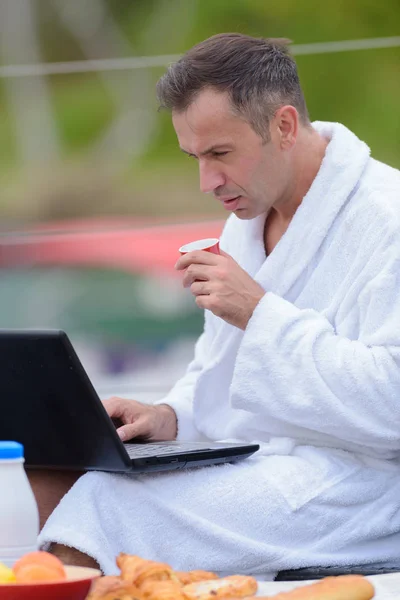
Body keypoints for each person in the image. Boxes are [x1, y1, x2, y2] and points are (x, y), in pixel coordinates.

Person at [34, 33, 400, 577]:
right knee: (47, 471)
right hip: (269, 465)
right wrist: (170, 418)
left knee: (109, 506)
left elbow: (390, 402)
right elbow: (216, 369)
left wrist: (260, 312)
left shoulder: (386, 220)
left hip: (361, 486)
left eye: (220, 154)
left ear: (283, 126)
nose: (207, 182)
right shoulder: (248, 222)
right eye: (194, 158)